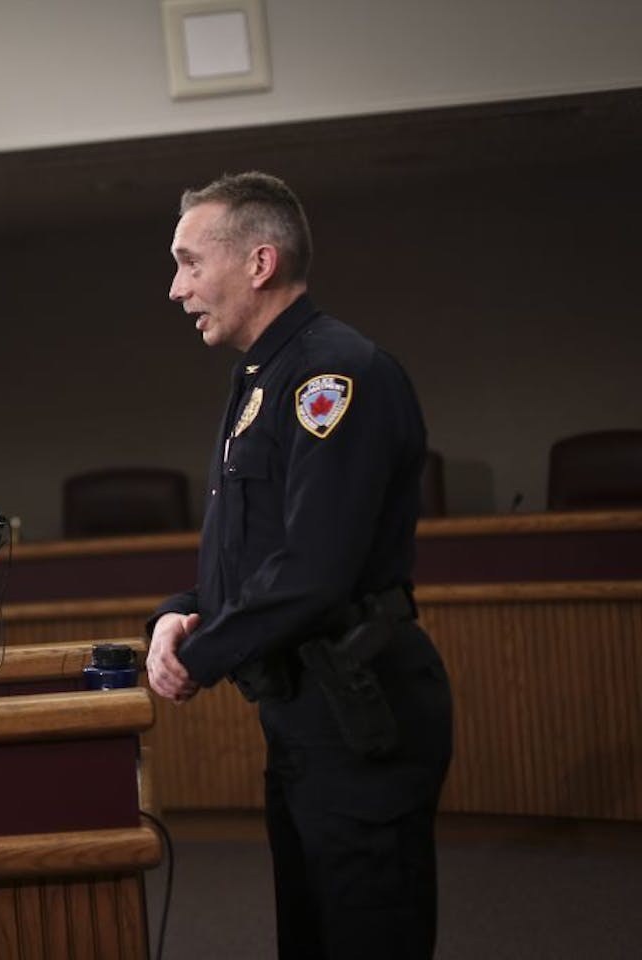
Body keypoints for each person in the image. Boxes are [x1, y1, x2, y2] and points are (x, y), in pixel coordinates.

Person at [144, 172, 453, 959]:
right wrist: (177, 615)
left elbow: (314, 568)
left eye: (189, 262)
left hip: (360, 715)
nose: (176, 289)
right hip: (304, 715)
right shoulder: (263, 377)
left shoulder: (333, 376)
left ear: (259, 263)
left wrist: (199, 656)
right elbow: (253, 553)